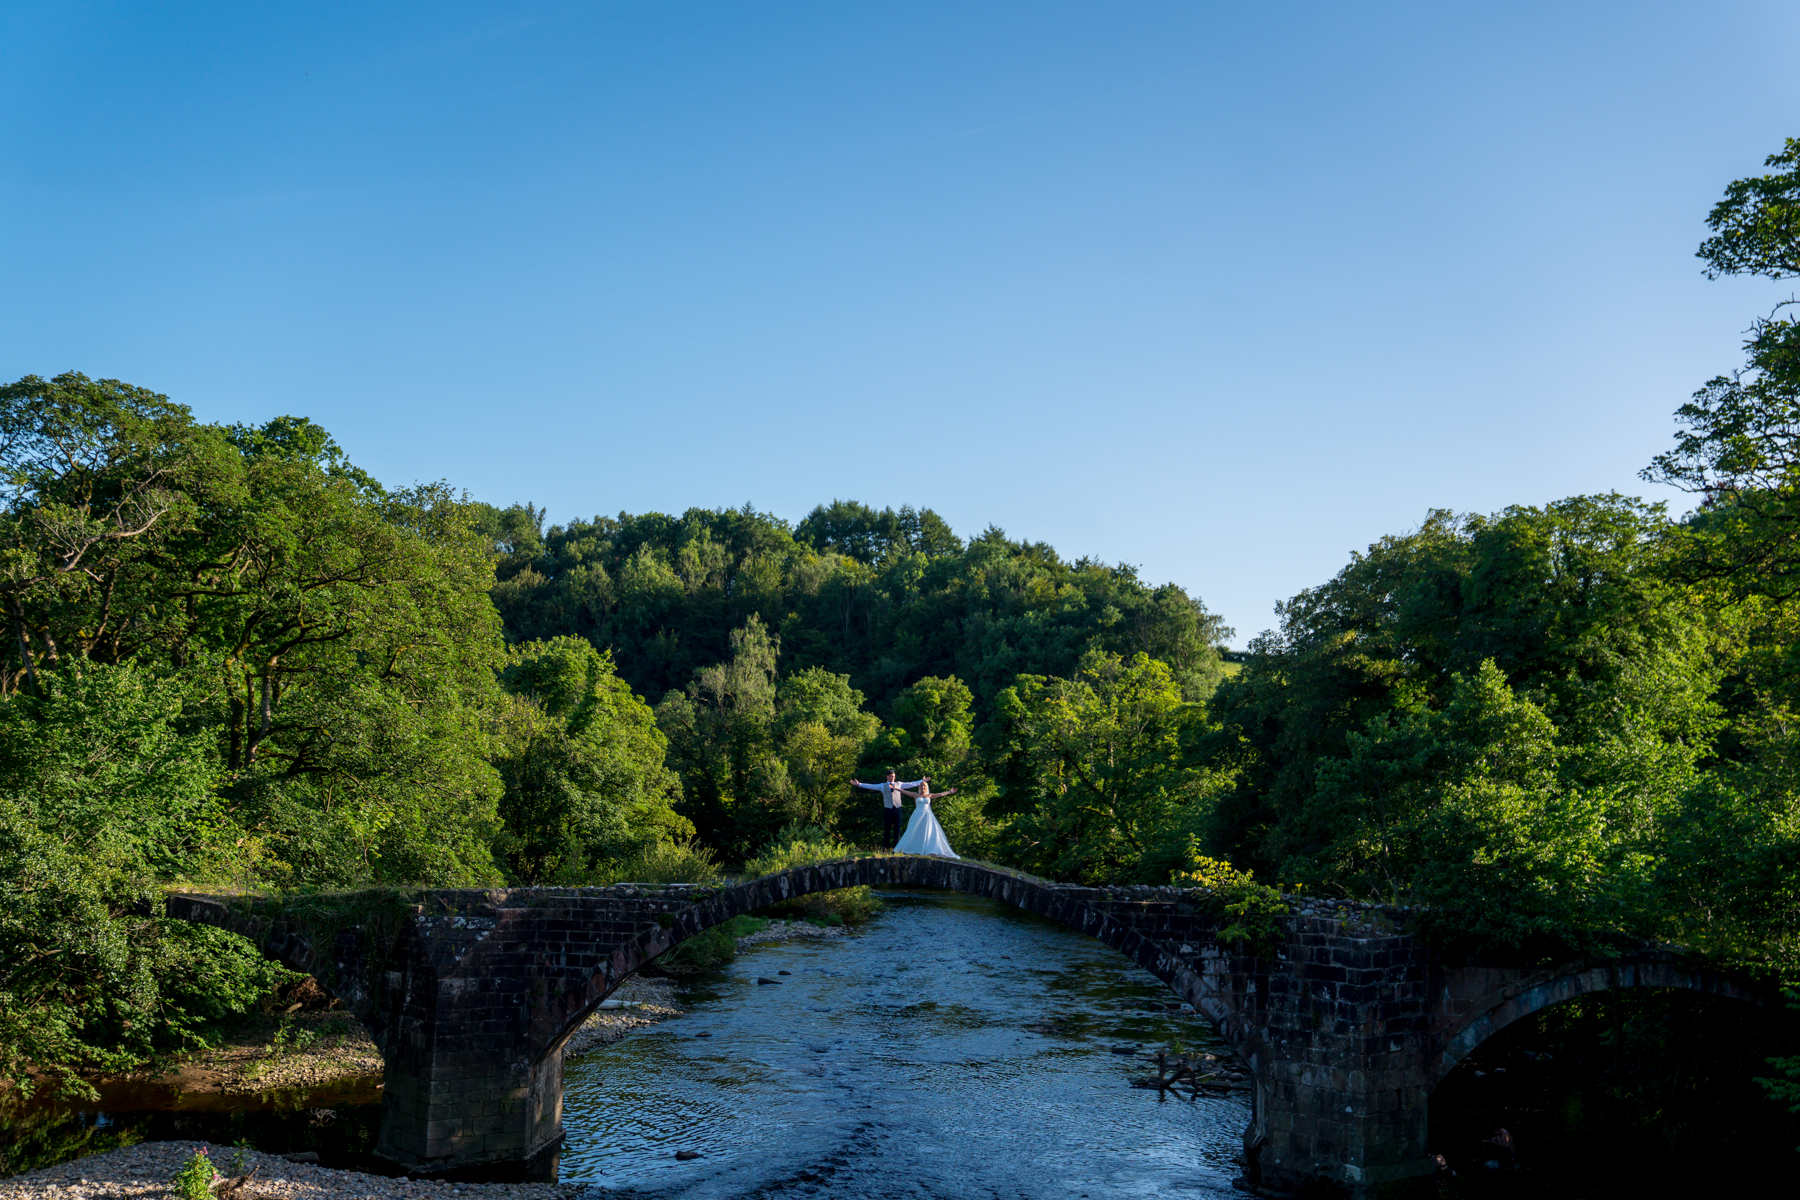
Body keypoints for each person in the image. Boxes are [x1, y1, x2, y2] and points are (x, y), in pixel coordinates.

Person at [849, 770, 923, 849]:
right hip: (888, 809)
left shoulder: (899, 784)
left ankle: (896, 848)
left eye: (894, 776)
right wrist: (859, 784)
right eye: (891, 776)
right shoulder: (882, 786)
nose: (892, 778)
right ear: (887, 776)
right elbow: (870, 786)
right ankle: (885, 848)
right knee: (887, 829)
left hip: (898, 809)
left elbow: (911, 784)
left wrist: (922, 781)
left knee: (897, 829)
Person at [893, 777, 960, 858]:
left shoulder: (930, 795)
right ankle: (910, 848)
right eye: (921, 786)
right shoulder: (915, 795)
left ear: (926, 787)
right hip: (918, 814)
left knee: (927, 832)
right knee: (913, 831)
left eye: (924, 786)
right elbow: (905, 791)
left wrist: (950, 792)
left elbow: (940, 794)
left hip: (927, 815)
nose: (922, 787)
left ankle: (927, 849)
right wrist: (896, 788)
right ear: (919, 787)